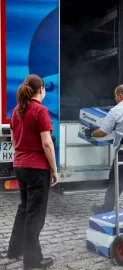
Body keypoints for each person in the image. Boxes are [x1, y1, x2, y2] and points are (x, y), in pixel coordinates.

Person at [7, 74, 58, 270]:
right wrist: (54, 170)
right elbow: (47, 143)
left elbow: (13, 141)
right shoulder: (40, 111)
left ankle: (15, 249)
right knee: (35, 214)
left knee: (24, 208)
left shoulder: (16, 110)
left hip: (20, 165)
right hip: (37, 168)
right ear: (42, 90)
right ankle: (33, 260)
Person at [85, 84, 123, 215]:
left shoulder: (116, 111)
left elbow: (103, 132)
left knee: (116, 184)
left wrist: (91, 133)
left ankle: (106, 209)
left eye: (115, 96)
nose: (114, 99)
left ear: (120, 96)